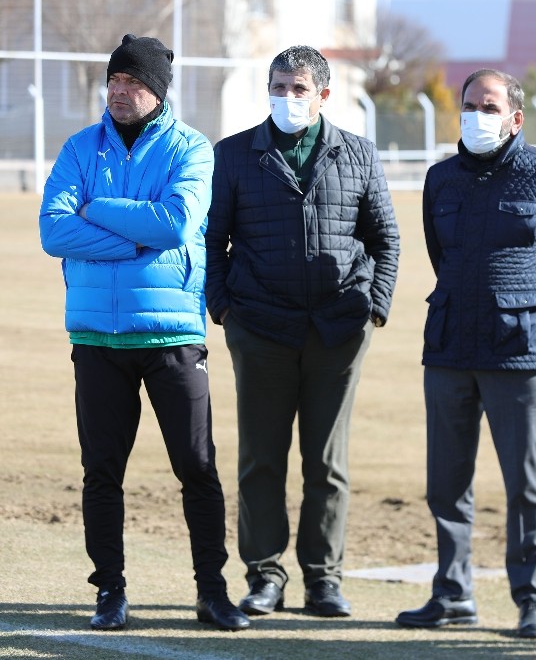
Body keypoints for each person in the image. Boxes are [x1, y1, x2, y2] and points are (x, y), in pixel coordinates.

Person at [38, 34, 249, 632]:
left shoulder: (192, 148)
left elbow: (177, 223)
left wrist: (95, 208)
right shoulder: (80, 148)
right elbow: (53, 231)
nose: (120, 91)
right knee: (101, 472)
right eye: (115, 80)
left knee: (197, 468)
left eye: (133, 82)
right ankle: (110, 591)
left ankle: (212, 592)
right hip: (96, 340)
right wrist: (136, 240)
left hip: (171, 337)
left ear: (157, 90)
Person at [394, 68, 536, 639]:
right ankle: (453, 593)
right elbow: (442, 255)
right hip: (450, 344)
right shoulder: (440, 179)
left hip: (519, 354)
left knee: (524, 482)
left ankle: (531, 600)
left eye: (489, 107)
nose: (476, 115)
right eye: (469, 105)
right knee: (446, 480)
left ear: (515, 118)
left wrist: (528, 314)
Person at [205, 45, 399, 619]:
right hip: (260, 327)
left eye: (298, 89)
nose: (287, 98)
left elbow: (385, 238)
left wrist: (375, 308)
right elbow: (213, 240)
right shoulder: (234, 154)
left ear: (323, 95)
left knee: (327, 463)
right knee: (261, 459)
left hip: (338, 330)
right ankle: (265, 575)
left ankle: (323, 579)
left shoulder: (358, 153)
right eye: (278, 87)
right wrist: (224, 309)